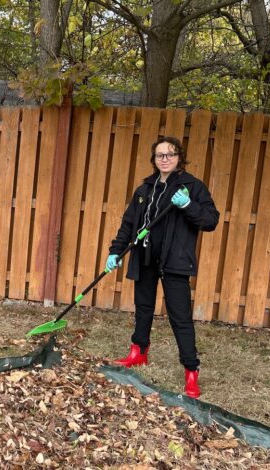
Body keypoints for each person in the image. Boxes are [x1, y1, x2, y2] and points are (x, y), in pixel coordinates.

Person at [105, 136, 219, 398]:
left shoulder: (192, 187)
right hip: (145, 257)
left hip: (175, 261)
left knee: (180, 317)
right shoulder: (145, 189)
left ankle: (191, 372)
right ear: (154, 159)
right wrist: (115, 251)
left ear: (179, 157)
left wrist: (188, 205)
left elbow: (211, 220)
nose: (164, 159)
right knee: (143, 307)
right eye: (160, 155)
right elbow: (129, 223)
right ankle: (138, 352)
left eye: (170, 154)